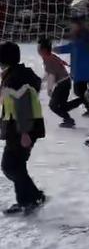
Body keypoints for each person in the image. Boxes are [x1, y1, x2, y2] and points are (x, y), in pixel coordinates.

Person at [0, 42, 46, 215]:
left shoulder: (15, 79)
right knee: (16, 165)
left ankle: (30, 199)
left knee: (11, 166)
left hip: (22, 128)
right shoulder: (17, 74)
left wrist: (25, 133)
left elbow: (23, 106)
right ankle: (32, 197)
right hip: (20, 127)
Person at [54, 17, 89, 117]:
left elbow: (70, 47)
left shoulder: (79, 39)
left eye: (73, 26)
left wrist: (55, 49)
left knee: (79, 91)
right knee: (86, 91)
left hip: (82, 72)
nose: (71, 28)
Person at [37, 38, 75, 128]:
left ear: (44, 50)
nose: (38, 50)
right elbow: (50, 73)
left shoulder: (48, 59)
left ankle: (69, 119)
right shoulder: (50, 56)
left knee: (53, 105)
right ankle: (81, 101)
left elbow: (51, 75)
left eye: (39, 48)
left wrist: (49, 89)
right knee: (62, 105)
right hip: (65, 82)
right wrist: (41, 80)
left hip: (63, 84)